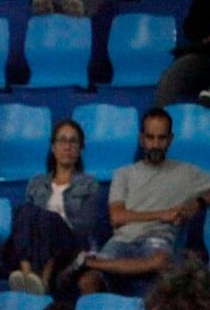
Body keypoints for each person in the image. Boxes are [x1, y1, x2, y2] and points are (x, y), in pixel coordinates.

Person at [77, 109, 210, 298]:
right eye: (150, 138)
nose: (155, 144)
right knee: (87, 282)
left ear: (170, 139)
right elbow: (117, 217)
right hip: (122, 241)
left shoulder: (187, 173)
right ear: (141, 138)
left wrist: (197, 203)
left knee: (161, 262)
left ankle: (94, 262)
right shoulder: (124, 173)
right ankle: (99, 269)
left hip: (157, 242)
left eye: (162, 138)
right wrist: (163, 214)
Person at [8, 118, 101, 297]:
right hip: (36, 245)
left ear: (80, 149)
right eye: (62, 140)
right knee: (25, 211)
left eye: (73, 141)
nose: (67, 146)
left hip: (69, 245)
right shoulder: (36, 182)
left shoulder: (89, 184)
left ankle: (42, 279)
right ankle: (27, 275)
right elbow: (24, 223)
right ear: (53, 147)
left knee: (47, 218)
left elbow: (85, 226)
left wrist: (55, 222)